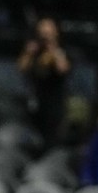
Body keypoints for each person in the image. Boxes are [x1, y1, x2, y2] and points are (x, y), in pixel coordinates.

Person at [17, 17, 71, 148]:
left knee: (52, 140)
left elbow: (63, 69)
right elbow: (21, 67)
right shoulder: (35, 51)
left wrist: (53, 49)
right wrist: (29, 53)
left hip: (54, 103)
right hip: (35, 101)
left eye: (48, 32)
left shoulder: (61, 50)